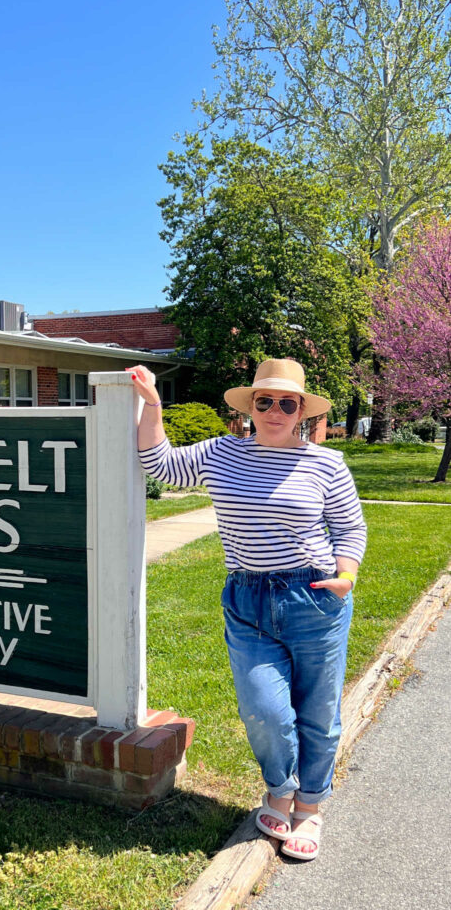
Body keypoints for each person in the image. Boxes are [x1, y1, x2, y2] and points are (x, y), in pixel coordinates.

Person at [128, 358, 366, 861]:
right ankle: (279, 787)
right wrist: (152, 404)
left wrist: (345, 577)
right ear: (250, 407)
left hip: (315, 597)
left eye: (287, 402)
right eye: (265, 401)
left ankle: (309, 807)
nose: (275, 410)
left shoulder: (327, 464)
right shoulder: (221, 453)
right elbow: (159, 462)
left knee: (319, 713)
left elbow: (349, 527)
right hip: (247, 598)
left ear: (301, 410)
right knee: (264, 709)